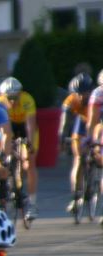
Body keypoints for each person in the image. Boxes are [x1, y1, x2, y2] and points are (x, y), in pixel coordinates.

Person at [0, 77, 38, 220]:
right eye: (10, 98)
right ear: (3, 96)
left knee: (29, 163)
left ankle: (32, 203)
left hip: (25, 128)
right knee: (2, 155)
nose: (13, 101)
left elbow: (30, 125)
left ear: (21, 94)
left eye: (15, 97)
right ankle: (8, 180)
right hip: (9, 128)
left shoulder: (27, 100)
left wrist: (29, 144)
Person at [59, 73, 95, 213]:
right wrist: (62, 138)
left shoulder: (97, 98)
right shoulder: (70, 101)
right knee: (78, 159)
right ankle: (75, 196)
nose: (80, 97)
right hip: (81, 124)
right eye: (77, 94)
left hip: (97, 123)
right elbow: (65, 123)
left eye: (84, 93)